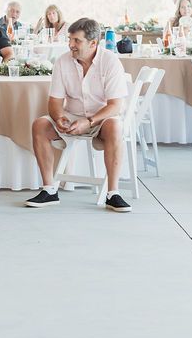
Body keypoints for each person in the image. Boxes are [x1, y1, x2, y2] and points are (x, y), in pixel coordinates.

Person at [24, 18, 132, 212]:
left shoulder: (110, 61)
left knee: (115, 126)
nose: (70, 45)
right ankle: (49, 190)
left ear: (93, 43)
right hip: (71, 116)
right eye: (70, 39)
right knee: (39, 124)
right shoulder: (63, 61)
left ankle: (112, 193)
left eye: (76, 41)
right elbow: (55, 102)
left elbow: (116, 105)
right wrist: (59, 118)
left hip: (101, 118)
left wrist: (89, 121)